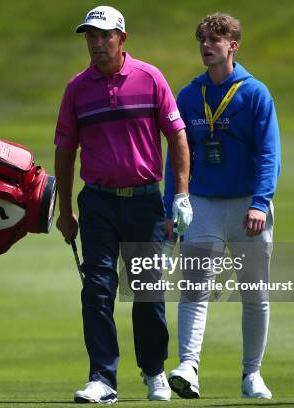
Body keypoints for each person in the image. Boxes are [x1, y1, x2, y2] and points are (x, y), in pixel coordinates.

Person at [54, 6, 193, 403]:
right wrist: (66, 211)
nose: (96, 44)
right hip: (96, 201)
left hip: (145, 202)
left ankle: (154, 372)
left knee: (147, 290)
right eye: (90, 37)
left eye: (104, 36)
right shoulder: (77, 88)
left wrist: (180, 193)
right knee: (97, 290)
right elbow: (65, 152)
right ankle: (103, 378)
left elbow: (178, 138)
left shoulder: (150, 79)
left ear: (121, 38)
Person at [163, 13, 280, 399]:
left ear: (234, 46)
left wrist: (261, 203)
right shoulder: (189, 95)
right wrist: (171, 206)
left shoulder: (255, 93)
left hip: (250, 206)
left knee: (254, 294)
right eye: (202, 40)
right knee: (195, 289)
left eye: (216, 39)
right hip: (204, 206)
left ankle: (252, 375)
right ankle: (188, 367)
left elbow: (269, 154)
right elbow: (178, 157)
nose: (207, 46)